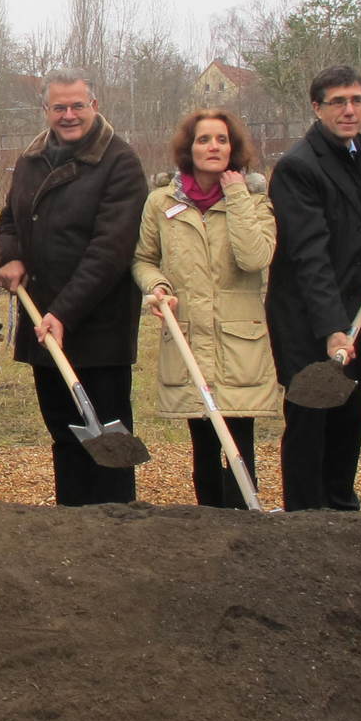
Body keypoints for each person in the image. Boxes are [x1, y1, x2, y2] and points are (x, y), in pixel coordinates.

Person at [0, 70, 148, 505]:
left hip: (97, 328)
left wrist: (64, 312)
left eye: (77, 105)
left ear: (94, 106)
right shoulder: (31, 160)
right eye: (58, 107)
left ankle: (117, 527)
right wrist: (11, 255)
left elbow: (110, 251)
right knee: (64, 434)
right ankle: (72, 527)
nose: (68, 115)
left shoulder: (120, 162)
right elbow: (10, 219)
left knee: (108, 443)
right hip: (44, 322)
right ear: (45, 110)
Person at [132, 108, 282, 509]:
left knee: (239, 442)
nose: (212, 147)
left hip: (239, 344)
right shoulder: (161, 202)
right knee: (202, 445)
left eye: (221, 139)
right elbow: (143, 258)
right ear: (189, 147)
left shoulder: (253, 200)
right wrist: (158, 286)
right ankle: (209, 527)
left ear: (233, 148)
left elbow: (255, 258)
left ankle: (245, 523)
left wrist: (235, 197)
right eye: (203, 139)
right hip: (189, 337)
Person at [266, 65, 361, 512]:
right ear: (317, 108)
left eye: (356, 100)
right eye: (338, 101)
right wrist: (333, 329)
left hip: (347, 315)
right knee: (310, 424)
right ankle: (305, 521)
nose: (349, 109)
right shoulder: (299, 167)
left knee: (347, 422)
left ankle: (340, 511)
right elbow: (309, 256)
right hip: (307, 322)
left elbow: (350, 241)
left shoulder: (355, 154)